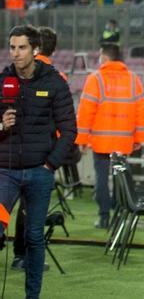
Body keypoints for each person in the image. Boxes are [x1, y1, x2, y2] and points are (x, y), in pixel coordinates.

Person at [1, 24, 77, 299]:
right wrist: (1, 125)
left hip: (39, 173)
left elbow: (69, 130)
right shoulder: (3, 81)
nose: (16, 53)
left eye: (21, 47)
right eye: (12, 47)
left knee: (34, 237)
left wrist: (50, 165)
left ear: (35, 50)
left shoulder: (55, 82)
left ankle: (32, 296)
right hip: (5, 173)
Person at [75, 44, 144, 230]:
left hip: (101, 142)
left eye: (99, 56)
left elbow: (85, 113)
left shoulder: (95, 79)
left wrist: (81, 141)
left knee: (101, 180)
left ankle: (104, 216)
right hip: (123, 143)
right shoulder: (133, 80)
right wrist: (139, 138)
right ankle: (118, 216)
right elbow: (140, 112)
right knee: (119, 180)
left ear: (105, 58)